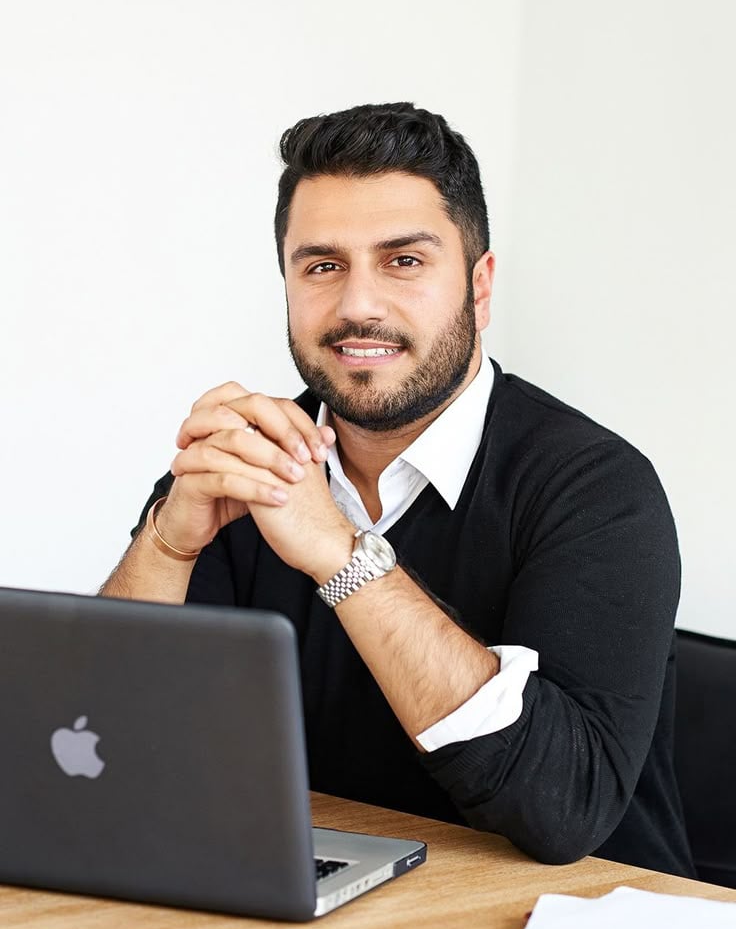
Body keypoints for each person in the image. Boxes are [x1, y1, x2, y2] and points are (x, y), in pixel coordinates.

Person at [101, 102, 694, 877]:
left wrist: (343, 555)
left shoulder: (597, 490)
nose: (357, 306)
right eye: (322, 266)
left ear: (480, 288)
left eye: (404, 261)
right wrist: (169, 543)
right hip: (321, 906)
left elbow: (563, 809)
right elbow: (100, 750)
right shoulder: (246, 463)